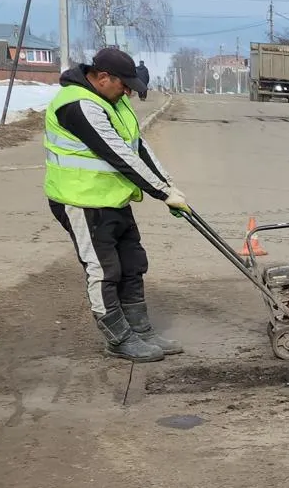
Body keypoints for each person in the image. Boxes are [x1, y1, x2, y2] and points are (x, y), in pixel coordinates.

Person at [44, 46, 190, 362]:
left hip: (113, 198)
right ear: (103, 77)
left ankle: (140, 329)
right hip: (80, 200)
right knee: (104, 270)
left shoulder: (113, 100)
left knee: (133, 263)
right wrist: (161, 194)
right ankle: (119, 339)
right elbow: (117, 154)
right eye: (123, 85)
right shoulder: (77, 105)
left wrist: (168, 185)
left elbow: (137, 147)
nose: (127, 92)